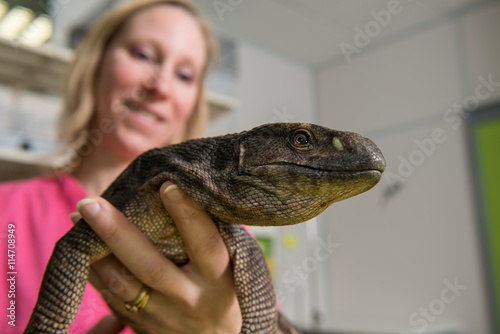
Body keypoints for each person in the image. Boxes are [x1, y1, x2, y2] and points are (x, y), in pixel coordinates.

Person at [0, 0, 244, 333]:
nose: (161, 86)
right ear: (97, 62)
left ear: (192, 104)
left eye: (185, 75)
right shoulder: (7, 211)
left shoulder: (222, 231)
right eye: (144, 55)